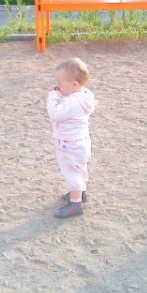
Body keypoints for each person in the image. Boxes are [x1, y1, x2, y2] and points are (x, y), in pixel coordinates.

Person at [47, 58, 96, 218]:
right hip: (80, 142)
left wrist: (53, 96)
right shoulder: (84, 95)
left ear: (75, 84)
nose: (57, 87)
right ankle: (80, 193)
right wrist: (62, 93)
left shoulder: (73, 102)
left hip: (69, 144)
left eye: (60, 83)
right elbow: (69, 104)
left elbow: (55, 114)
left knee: (71, 172)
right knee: (79, 169)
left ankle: (76, 204)